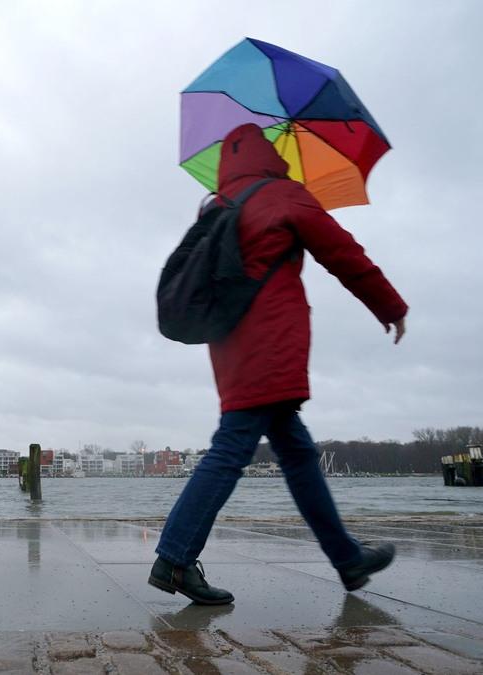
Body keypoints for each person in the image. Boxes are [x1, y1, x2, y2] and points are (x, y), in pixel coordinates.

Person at [149, 123, 408, 605]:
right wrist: (390, 306)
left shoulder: (217, 204)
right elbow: (343, 253)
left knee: (295, 450)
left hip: (229, 343)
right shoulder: (285, 194)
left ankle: (347, 560)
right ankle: (174, 559)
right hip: (271, 343)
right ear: (271, 153)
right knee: (232, 448)